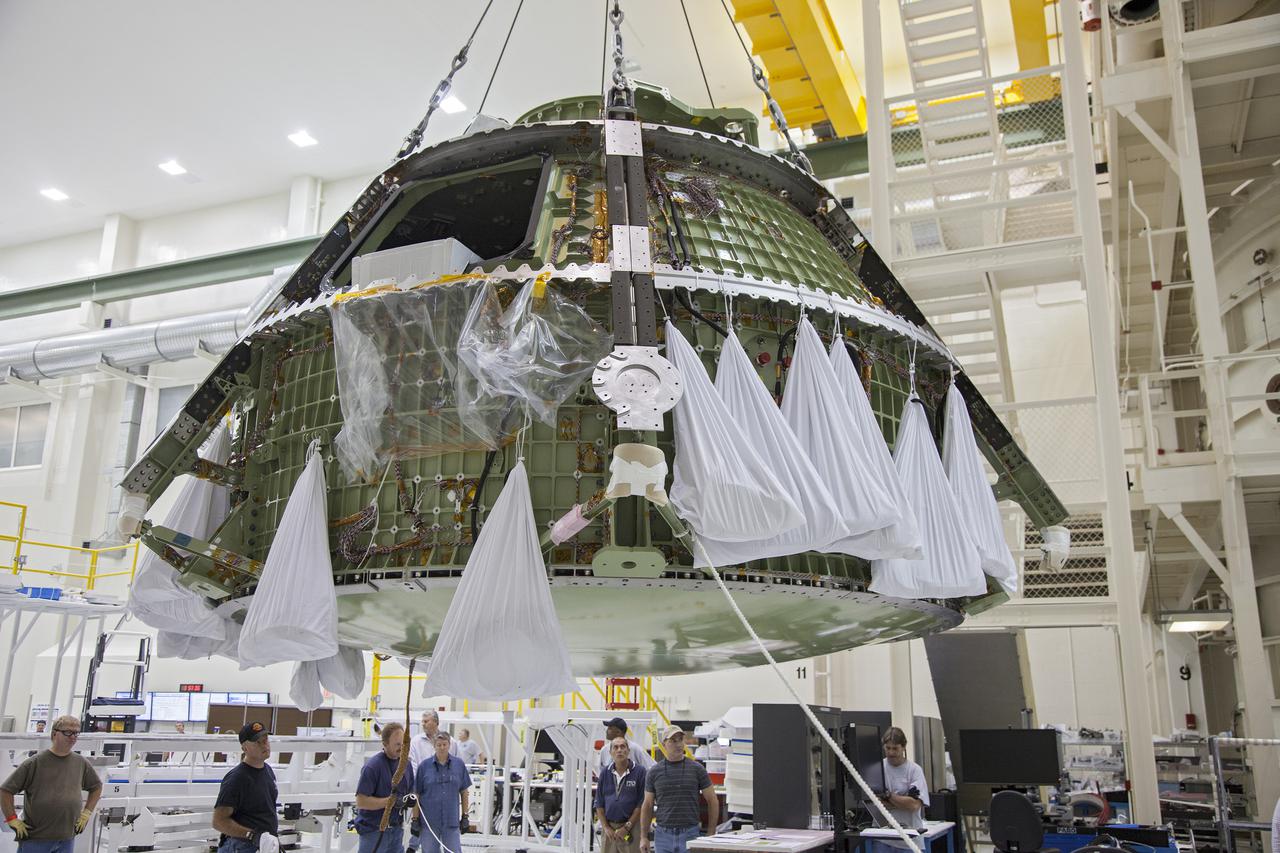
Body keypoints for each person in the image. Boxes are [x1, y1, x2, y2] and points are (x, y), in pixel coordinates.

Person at [1, 714, 102, 853]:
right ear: (54, 734)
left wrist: (87, 813)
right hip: (36, 840)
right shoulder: (34, 763)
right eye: (67, 732)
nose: (73, 737)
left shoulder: (81, 763)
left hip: (67, 839)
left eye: (76, 733)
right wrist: (12, 819)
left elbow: (96, 787)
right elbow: (5, 791)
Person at [639, 726, 717, 853]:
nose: (678, 744)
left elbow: (712, 800)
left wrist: (711, 832)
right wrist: (643, 837)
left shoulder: (697, 769)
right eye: (673, 741)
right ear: (664, 744)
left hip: (690, 834)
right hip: (663, 836)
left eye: (680, 739)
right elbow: (647, 805)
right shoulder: (654, 772)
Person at [211, 722, 279, 852]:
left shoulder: (268, 771)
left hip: (263, 846)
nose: (264, 745)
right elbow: (218, 821)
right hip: (241, 846)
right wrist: (252, 835)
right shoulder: (237, 778)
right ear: (245, 748)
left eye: (266, 740)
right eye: (257, 742)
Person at [355, 722, 415, 853]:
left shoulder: (406, 765)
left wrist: (409, 800)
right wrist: (390, 802)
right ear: (385, 744)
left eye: (403, 744)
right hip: (374, 832)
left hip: (396, 830)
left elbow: (410, 790)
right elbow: (361, 802)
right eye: (397, 744)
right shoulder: (373, 767)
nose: (402, 748)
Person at [412, 733, 471, 853]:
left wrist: (465, 816)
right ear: (434, 746)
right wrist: (415, 819)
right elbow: (416, 795)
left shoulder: (459, 765)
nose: (442, 747)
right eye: (439, 745)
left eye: (445, 744)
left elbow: (464, 792)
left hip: (451, 822)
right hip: (429, 824)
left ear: (449, 745)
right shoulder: (424, 767)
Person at [596, 737, 646, 853]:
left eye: (623, 747)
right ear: (610, 752)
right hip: (609, 829)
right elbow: (599, 803)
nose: (619, 750)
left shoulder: (640, 772)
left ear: (628, 751)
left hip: (632, 827)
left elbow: (641, 804)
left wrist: (627, 827)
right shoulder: (605, 773)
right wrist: (606, 827)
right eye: (616, 747)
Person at [874, 727, 929, 832]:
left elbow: (914, 805)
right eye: (888, 748)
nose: (891, 752)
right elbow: (874, 804)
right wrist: (904, 799)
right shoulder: (877, 769)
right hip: (883, 837)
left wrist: (888, 795)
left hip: (910, 835)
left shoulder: (915, 770)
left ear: (903, 747)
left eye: (895, 748)